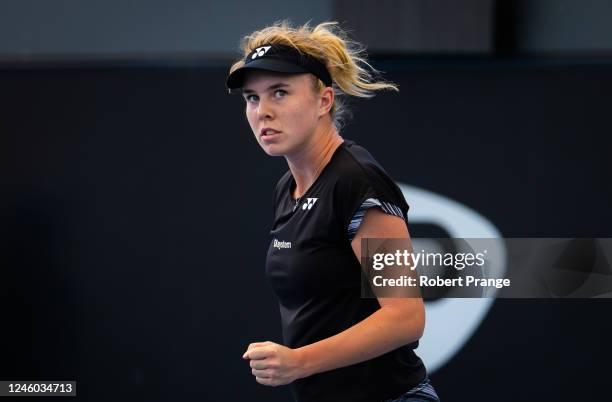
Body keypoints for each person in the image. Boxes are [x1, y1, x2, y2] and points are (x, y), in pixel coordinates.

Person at [226, 20, 440, 402]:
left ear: (324, 101)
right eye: (252, 98)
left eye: (279, 92)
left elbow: (406, 317)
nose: (263, 112)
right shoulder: (286, 189)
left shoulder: (357, 180)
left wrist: (298, 362)